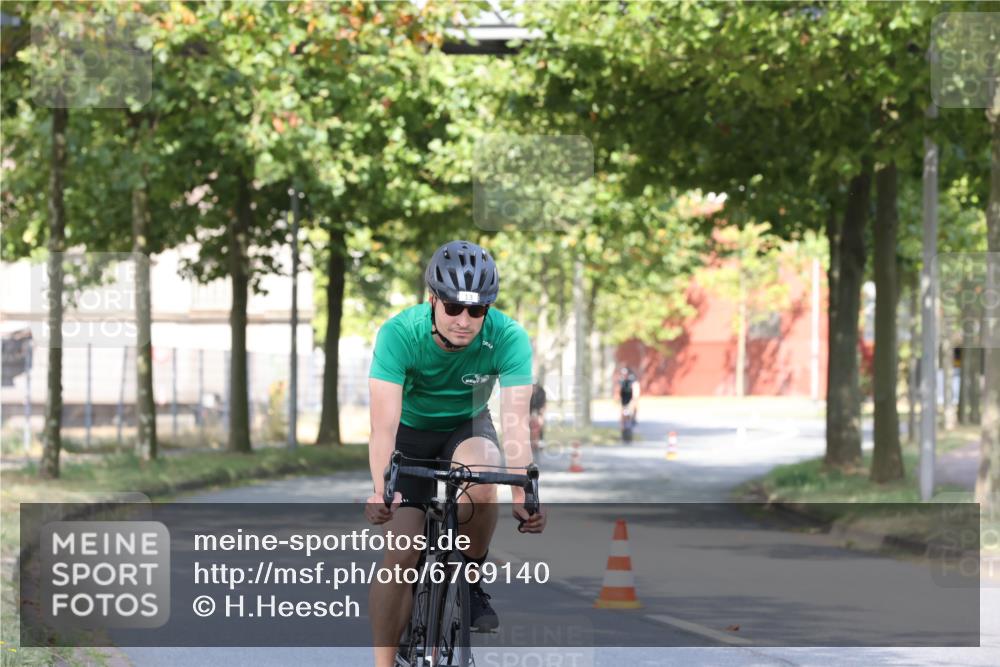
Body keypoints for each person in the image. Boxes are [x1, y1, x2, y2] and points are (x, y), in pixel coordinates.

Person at [364, 240, 547, 667]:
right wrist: (381, 490)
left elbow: (516, 421)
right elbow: (383, 426)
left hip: (466, 426)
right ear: (432, 299)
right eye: (453, 308)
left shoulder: (508, 336)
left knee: (486, 474)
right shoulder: (399, 333)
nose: (465, 321)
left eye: (477, 310)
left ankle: (471, 576)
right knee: (402, 554)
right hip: (409, 436)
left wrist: (525, 495)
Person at [618, 366, 640, 431]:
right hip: (624, 398)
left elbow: (635, 388)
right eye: (623, 374)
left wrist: (635, 398)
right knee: (622, 411)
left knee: (634, 407)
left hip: (631, 398)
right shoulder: (621, 380)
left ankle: (634, 418)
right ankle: (622, 427)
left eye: (625, 374)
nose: (624, 375)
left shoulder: (632, 380)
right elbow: (619, 389)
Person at [529, 382, 547, 455]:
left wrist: (541, 415)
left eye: (535, 387)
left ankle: (541, 441)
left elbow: (544, 404)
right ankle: (528, 442)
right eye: (532, 387)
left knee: (541, 424)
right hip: (530, 410)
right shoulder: (527, 392)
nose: (534, 388)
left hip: (539, 410)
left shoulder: (542, 392)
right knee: (527, 424)